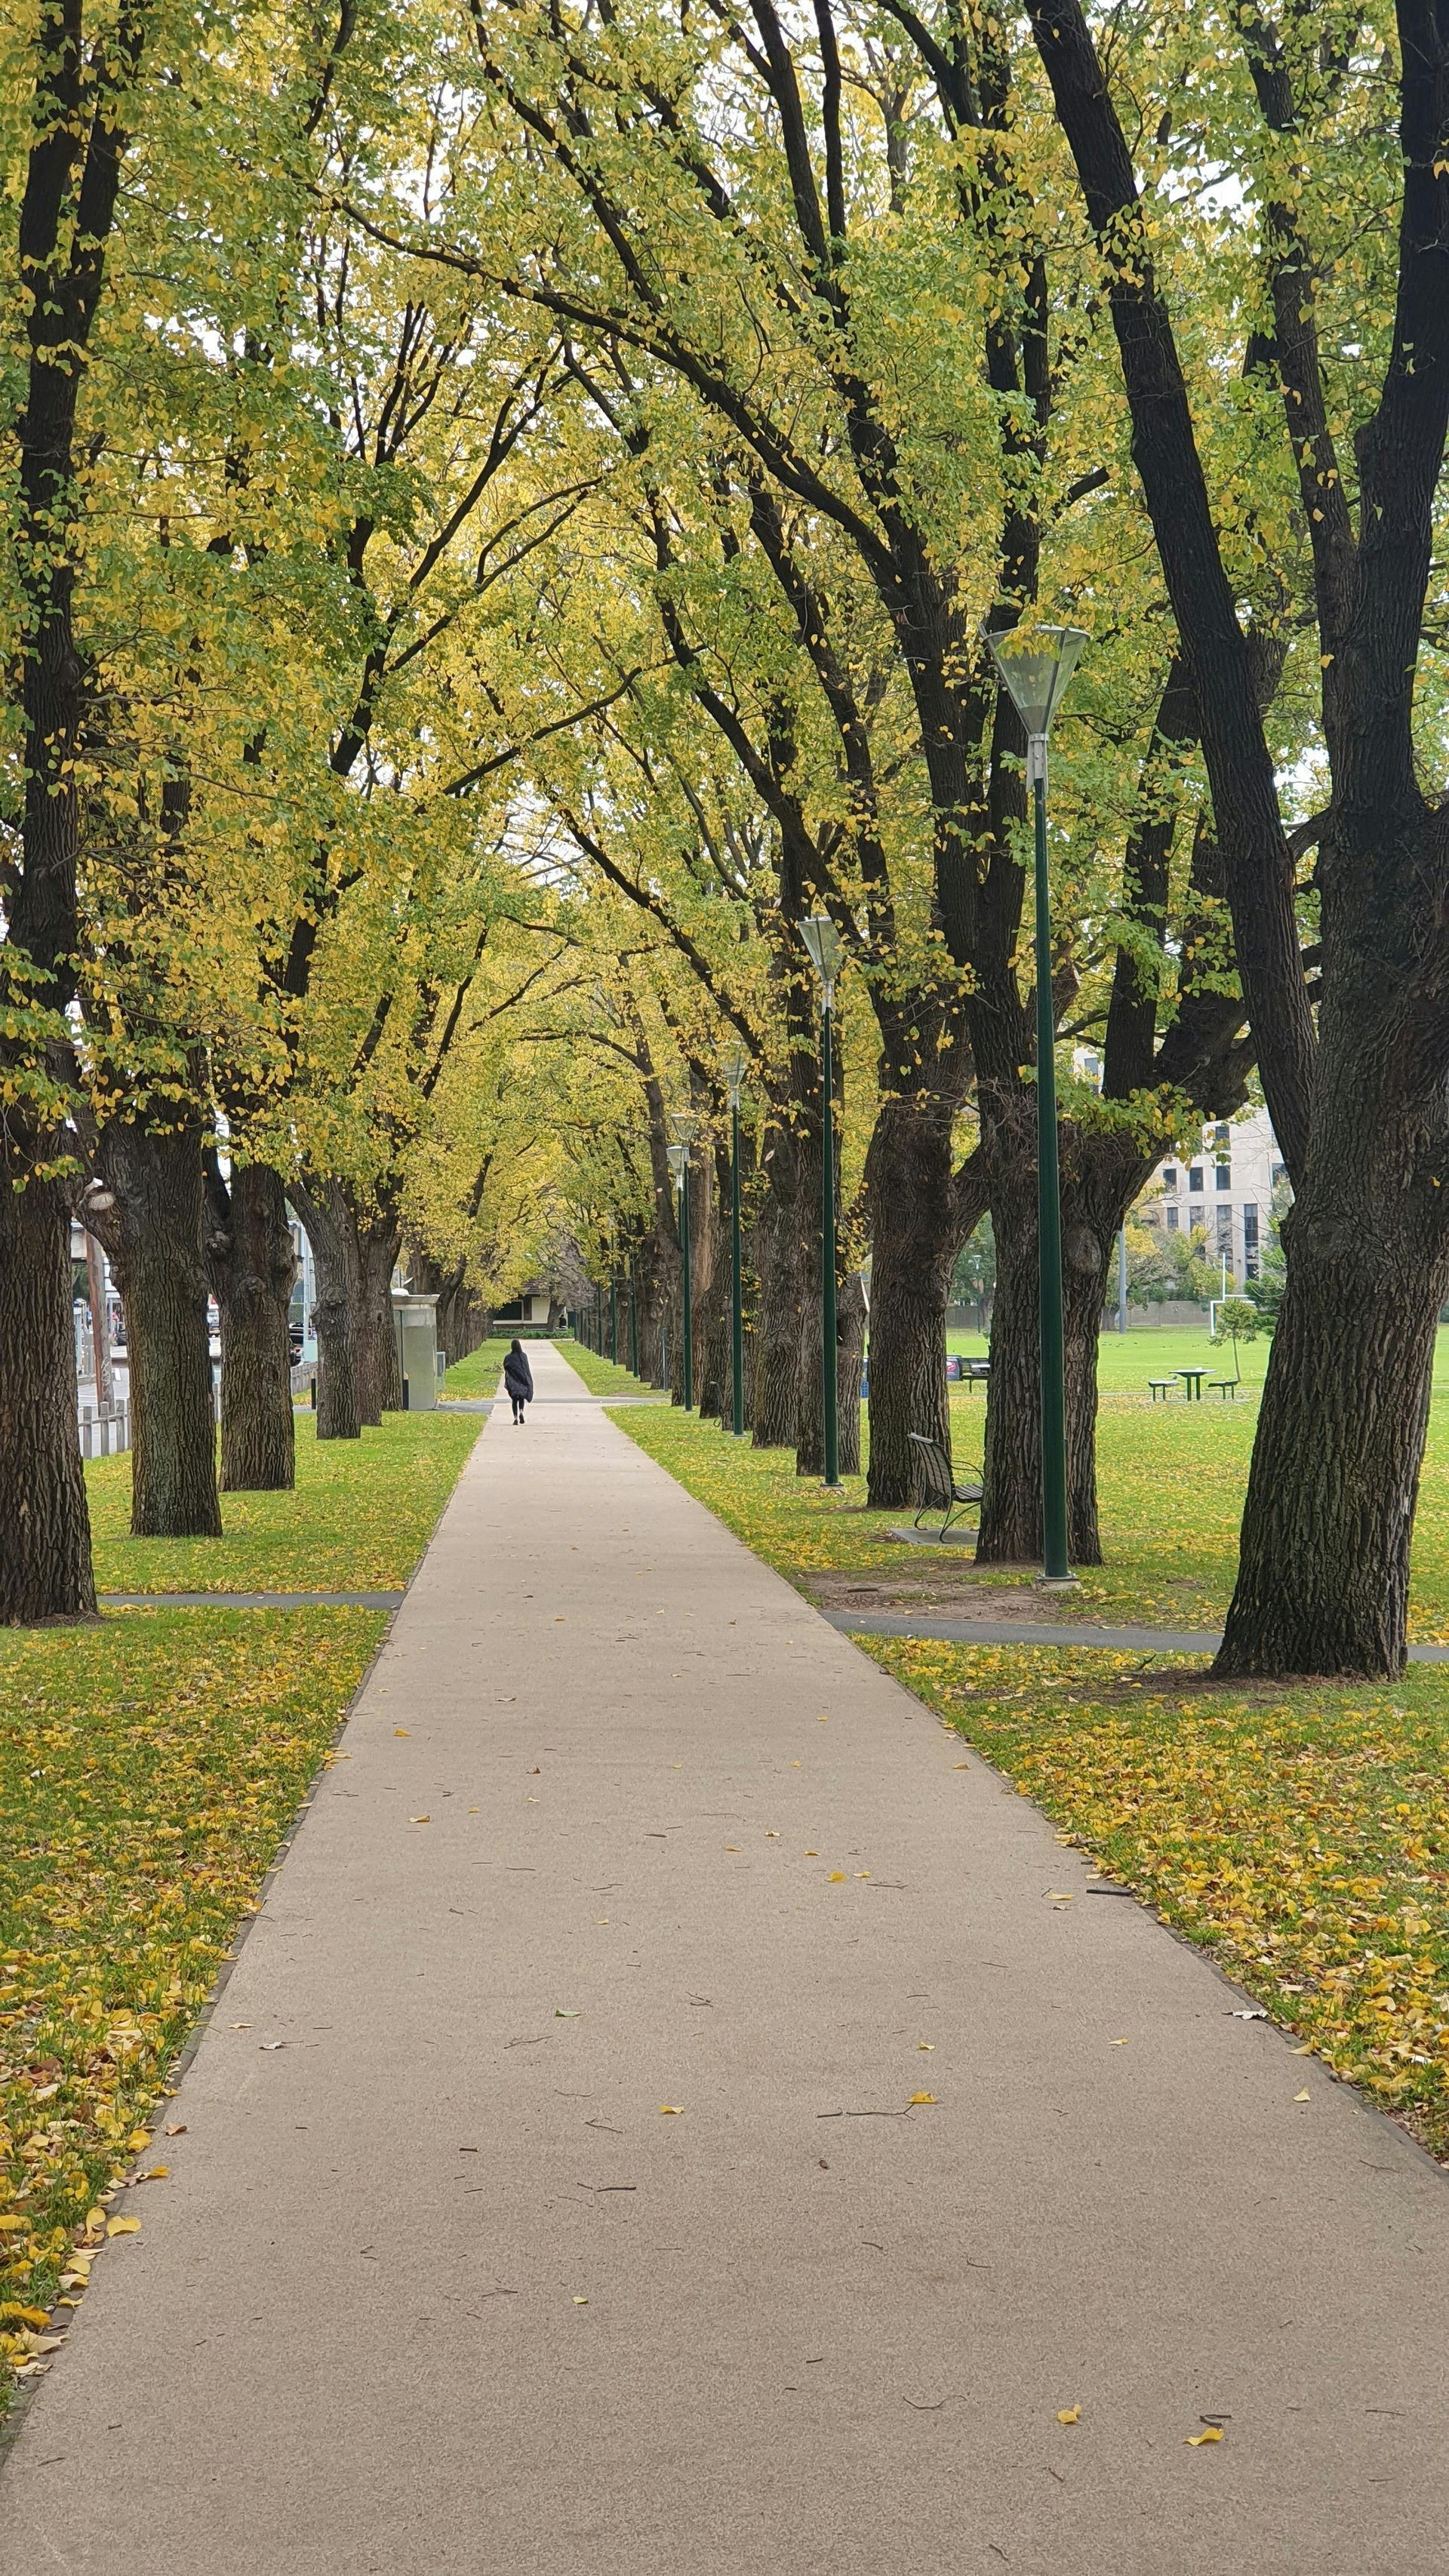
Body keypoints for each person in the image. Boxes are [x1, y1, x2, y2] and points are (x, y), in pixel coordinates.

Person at [503, 1338, 534, 1426]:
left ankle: (515, 1418)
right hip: (522, 1380)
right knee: (521, 1397)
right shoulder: (523, 1356)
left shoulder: (508, 1357)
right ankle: (521, 1411)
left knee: (514, 1399)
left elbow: (505, 1366)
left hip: (513, 1380)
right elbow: (526, 1369)